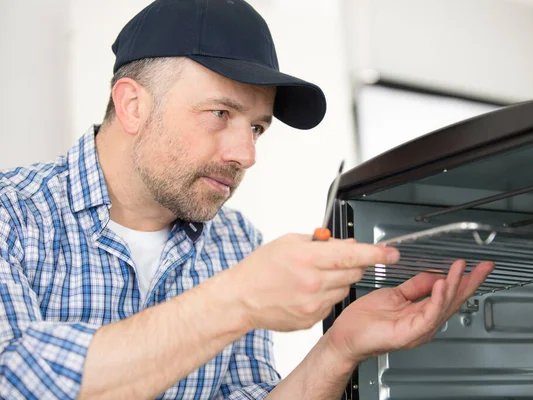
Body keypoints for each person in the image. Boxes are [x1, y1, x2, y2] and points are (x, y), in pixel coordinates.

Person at [0, 0, 495, 399]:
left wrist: (340, 348)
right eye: (220, 113)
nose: (246, 154)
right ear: (133, 105)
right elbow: (17, 381)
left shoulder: (235, 242)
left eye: (257, 127)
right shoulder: (13, 215)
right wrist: (238, 299)